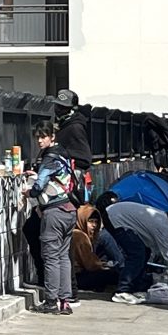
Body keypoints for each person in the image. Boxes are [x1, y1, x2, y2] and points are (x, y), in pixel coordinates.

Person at [25, 120, 77, 315]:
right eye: (37, 137)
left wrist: (28, 193)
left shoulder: (49, 158)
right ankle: (65, 301)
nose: (39, 141)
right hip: (69, 210)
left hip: (54, 213)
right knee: (63, 257)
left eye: (43, 136)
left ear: (52, 137)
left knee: (51, 257)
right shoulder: (63, 154)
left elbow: (38, 187)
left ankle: (51, 301)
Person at [104, 200, 168, 304]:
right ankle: (122, 290)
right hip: (115, 217)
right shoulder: (164, 227)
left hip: (117, 215)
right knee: (137, 254)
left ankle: (135, 288)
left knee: (145, 252)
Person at [53, 89, 92, 200]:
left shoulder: (75, 127)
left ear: (72, 110)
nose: (58, 110)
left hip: (71, 183)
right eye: (58, 106)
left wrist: (61, 156)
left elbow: (85, 159)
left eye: (63, 108)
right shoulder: (64, 125)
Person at [72, 205, 119, 291]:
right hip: (77, 277)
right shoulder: (79, 236)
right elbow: (90, 264)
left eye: (96, 222)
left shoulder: (78, 234)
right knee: (112, 274)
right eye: (90, 222)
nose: (94, 225)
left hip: (75, 276)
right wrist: (104, 265)